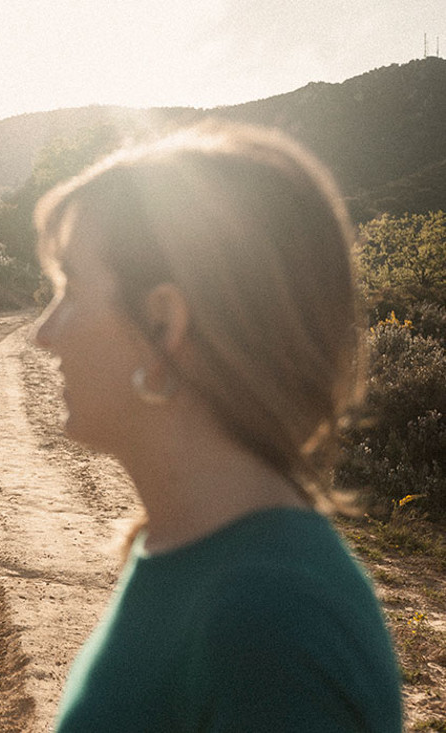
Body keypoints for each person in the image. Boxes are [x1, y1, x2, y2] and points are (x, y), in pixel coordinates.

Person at [32, 123, 402, 732]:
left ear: (162, 326)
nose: (44, 333)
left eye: (71, 288)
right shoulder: (189, 550)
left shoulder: (272, 620)